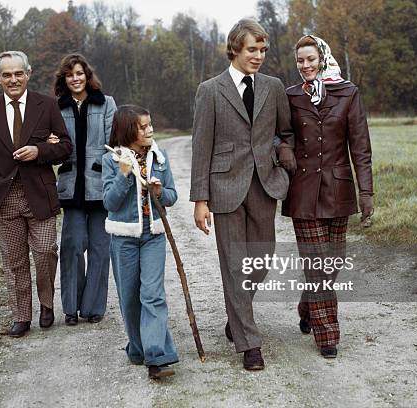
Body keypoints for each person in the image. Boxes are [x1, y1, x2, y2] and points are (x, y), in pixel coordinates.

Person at [190, 18, 294, 371]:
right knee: (235, 266)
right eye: (253, 49)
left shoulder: (274, 86)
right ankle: (250, 344)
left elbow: (286, 132)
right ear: (235, 48)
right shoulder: (210, 90)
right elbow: (201, 147)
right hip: (224, 188)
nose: (259, 56)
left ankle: (236, 316)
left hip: (264, 185)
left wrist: (282, 156)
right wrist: (199, 200)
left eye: (263, 50)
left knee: (261, 260)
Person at [0, 51, 73, 337]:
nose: (13, 79)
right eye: (7, 74)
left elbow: (65, 147)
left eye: (18, 73)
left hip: (40, 194)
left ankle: (47, 303)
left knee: (46, 252)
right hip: (4, 197)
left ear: (28, 73)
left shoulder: (47, 106)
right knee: (14, 261)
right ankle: (22, 316)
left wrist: (40, 151)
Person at [281, 35, 374, 358]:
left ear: (322, 57)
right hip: (303, 193)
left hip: (339, 190)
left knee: (330, 264)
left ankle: (309, 308)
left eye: (310, 59)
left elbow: (360, 147)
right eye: (300, 61)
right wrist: (283, 149)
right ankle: (327, 335)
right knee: (318, 264)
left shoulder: (348, 93)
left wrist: (367, 192)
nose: (305, 66)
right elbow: (283, 134)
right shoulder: (290, 96)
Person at [102, 105, 179, 380]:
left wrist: (160, 192)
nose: (150, 130)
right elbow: (109, 202)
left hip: (153, 236)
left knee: (152, 294)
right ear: (127, 130)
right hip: (123, 238)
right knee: (130, 298)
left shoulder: (159, 157)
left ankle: (157, 355)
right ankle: (138, 347)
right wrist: (124, 174)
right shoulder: (112, 160)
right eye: (143, 127)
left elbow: (171, 196)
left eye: (150, 125)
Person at [50, 54, 116, 326]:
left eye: (79, 73)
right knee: (72, 247)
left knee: (101, 249)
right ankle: (71, 308)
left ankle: (93, 307)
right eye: (69, 75)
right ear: (64, 79)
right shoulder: (56, 108)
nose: (75, 78)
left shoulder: (106, 103)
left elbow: (114, 144)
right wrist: (51, 143)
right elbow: (52, 146)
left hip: (100, 188)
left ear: (87, 75)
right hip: (70, 188)